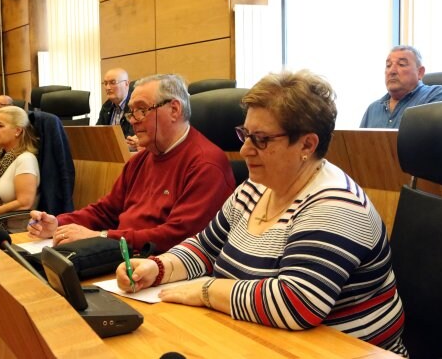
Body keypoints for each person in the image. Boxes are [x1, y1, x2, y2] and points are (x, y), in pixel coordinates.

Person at [116, 70, 409, 357]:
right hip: (257, 340)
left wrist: (206, 290)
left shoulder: (335, 205)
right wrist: (158, 267)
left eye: (261, 139)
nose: (244, 150)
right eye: (245, 134)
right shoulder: (255, 188)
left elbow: (295, 304)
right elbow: (206, 247)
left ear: (307, 144)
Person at [28, 74, 236, 254]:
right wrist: (59, 224)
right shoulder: (140, 160)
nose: (134, 120)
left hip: (161, 269)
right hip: (125, 256)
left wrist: (101, 238)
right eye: (131, 111)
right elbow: (106, 210)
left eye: (142, 110)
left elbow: (178, 237)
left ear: (174, 110)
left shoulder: (206, 164)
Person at [0, 106, 40, 232]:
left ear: (17, 130)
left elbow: (24, 202)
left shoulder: (26, 159)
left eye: (0, 126)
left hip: (12, 232)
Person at [360, 45, 442, 128]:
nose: (392, 71)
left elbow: (441, 141)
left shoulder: (438, 96)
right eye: (388, 65)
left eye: (401, 64)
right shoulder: (373, 109)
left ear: (420, 72)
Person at [96, 68, 139, 150]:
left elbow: (131, 141)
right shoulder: (106, 106)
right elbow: (98, 135)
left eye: (113, 83)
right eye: (105, 83)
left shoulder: (135, 105)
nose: (108, 87)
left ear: (126, 84)